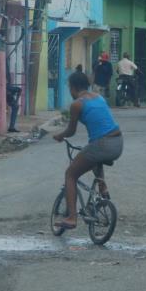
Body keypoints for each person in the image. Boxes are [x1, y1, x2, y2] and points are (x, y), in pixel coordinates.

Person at [52, 71, 123, 230]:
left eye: (70, 87)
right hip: (118, 142)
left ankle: (71, 218)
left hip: (103, 144)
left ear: (74, 87)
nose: (70, 91)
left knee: (70, 174)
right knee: (94, 157)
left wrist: (59, 136)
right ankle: (103, 190)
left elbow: (71, 131)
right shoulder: (99, 97)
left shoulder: (77, 104)